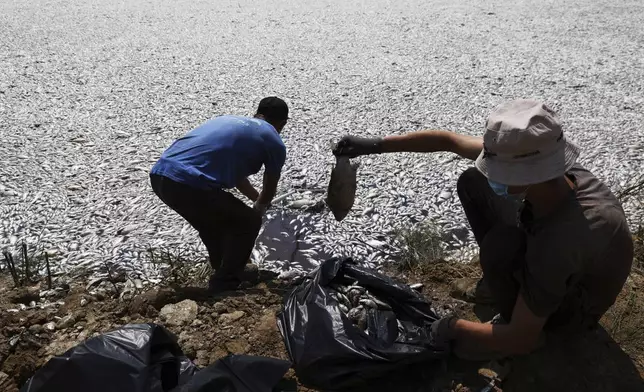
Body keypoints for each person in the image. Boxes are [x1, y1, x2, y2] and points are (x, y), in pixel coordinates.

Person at [332, 99, 633, 359]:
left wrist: (452, 328)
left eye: (501, 172)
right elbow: (447, 141)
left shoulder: (562, 240)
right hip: (560, 260)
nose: (495, 175)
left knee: (500, 247)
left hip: (571, 312)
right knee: (474, 180)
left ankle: (527, 319)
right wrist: (372, 145)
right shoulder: (550, 171)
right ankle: (507, 290)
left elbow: (521, 339)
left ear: (526, 173)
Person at [150, 97, 289, 293]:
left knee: (212, 225)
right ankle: (225, 285)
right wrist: (259, 208)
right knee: (247, 222)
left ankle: (224, 270)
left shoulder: (230, 121)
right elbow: (270, 185)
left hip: (160, 176)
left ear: (257, 114)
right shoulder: (274, 140)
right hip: (189, 183)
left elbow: (240, 180)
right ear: (283, 123)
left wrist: (255, 199)